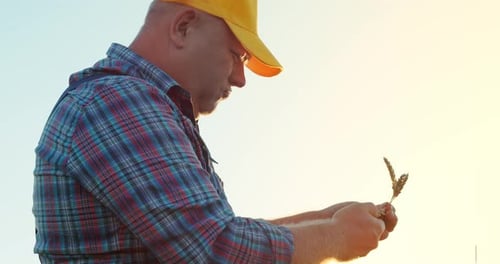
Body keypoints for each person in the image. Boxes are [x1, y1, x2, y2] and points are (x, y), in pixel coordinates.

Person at [33, 0, 398, 263]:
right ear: (183, 27)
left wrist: (324, 219)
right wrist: (333, 236)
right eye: (237, 55)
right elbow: (215, 250)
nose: (240, 79)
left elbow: (209, 235)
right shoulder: (117, 101)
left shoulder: (130, 104)